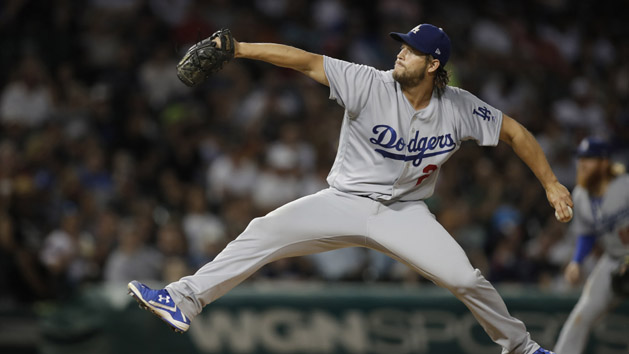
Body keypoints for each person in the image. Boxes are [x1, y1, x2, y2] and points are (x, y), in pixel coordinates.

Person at [128, 24, 572, 354]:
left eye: (413, 51)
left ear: (433, 65)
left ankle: (523, 348)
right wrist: (240, 49)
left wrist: (551, 183)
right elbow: (301, 60)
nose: (401, 54)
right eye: (402, 45)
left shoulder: (459, 107)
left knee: (465, 278)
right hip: (343, 202)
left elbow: (514, 132)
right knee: (262, 231)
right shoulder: (369, 82)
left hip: (405, 213)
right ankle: (182, 299)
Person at [554, 137, 629, 354]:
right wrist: (577, 261)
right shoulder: (581, 195)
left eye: (589, 159)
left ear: (604, 162)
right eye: (581, 159)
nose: (582, 164)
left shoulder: (624, 186)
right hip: (614, 259)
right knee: (582, 314)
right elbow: (586, 234)